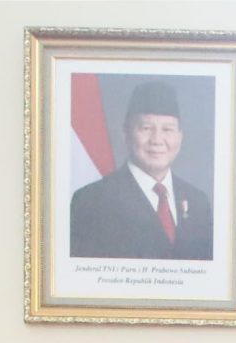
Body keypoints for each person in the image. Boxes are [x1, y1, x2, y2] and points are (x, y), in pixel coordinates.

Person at [68, 80, 215, 261]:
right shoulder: (91, 201)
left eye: (167, 129)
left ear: (180, 137)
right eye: (146, 128)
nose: (157, 140)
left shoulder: (198, 202)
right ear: (126, 134)